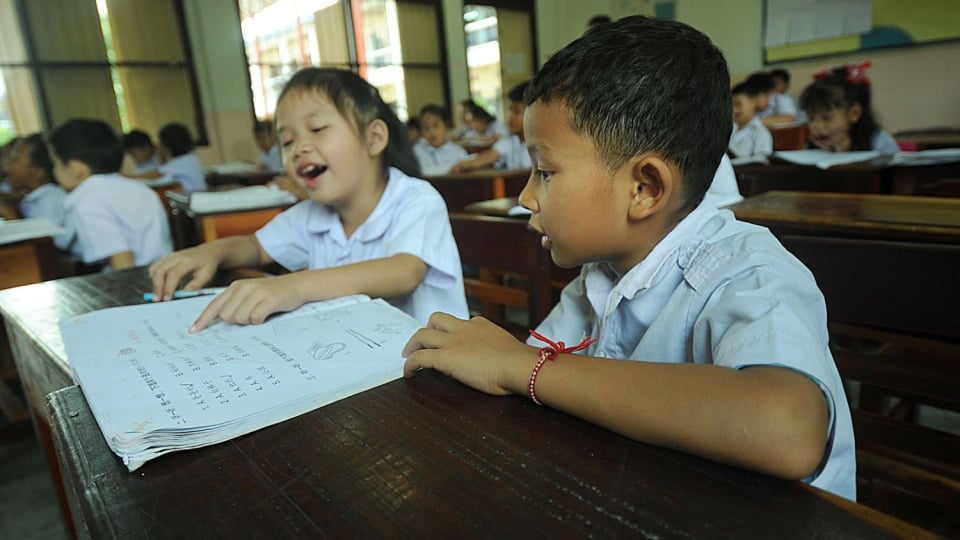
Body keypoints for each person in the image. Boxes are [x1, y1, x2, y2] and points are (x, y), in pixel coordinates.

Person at [401, 15, 855, 500]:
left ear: (644, 188)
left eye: (545, 171)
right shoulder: (596, 278)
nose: (528, 198)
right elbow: (540, 379)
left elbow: (786, 427)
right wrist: (506, 363)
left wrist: (518, 366)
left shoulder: (748, 271)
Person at [148, 67, 469, 330]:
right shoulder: (313, 214)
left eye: (317, 128)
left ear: (374, 138)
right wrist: (212, 251)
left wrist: (296, 286)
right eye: (287, 141)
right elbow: (254, 248)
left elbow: (403, 272)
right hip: (355, 360)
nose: (299, 147)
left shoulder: (416, 199)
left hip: (431, 374)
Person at [47, 118, 173, 271]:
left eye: (55, 164)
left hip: (135, 283)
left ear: (75, 169)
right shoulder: (140, 189)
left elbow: (123, 263)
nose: (53, 171)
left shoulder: (87, 203)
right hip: (165, 273)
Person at [799, 62, 899, 154]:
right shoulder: (815, 144)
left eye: (827, 118)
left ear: (854, 113)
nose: (818, 126)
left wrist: (845, 152)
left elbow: (893, 171)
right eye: (811, 118)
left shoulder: (879, 141)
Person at [0, 134, 73, 248]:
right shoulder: (32, 199)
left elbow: (47, 248)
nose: (6, 164)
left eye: (15, 159)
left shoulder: (50, 200)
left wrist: (11, 217)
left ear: (38, 172)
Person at [450, 82, 531, 172]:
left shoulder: (539, 145)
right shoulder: (510, 140)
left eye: (517, 111)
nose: (510, 116)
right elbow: (491, 155)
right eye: (510, 110)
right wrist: (465, 163)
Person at [412, 104, 468, 174]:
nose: (431, 132)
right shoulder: (417, 150)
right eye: (426, 127)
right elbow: (420, 171)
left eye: (436, 125)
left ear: (446, 126)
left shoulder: (458, 152)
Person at [156, 122, 207, 193]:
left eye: (159, 143)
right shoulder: (190, 158)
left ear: (167, 145)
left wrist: (135, 177)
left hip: (196, 200)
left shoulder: (181, 162)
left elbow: (158, 174)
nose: (157, 146)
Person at [728, 82, 773, 158]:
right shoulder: (728, 129)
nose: (734, 109)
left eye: (738, 104)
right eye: (731, 105)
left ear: (753, 102)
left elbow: (761, 162)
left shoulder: (760, 133)